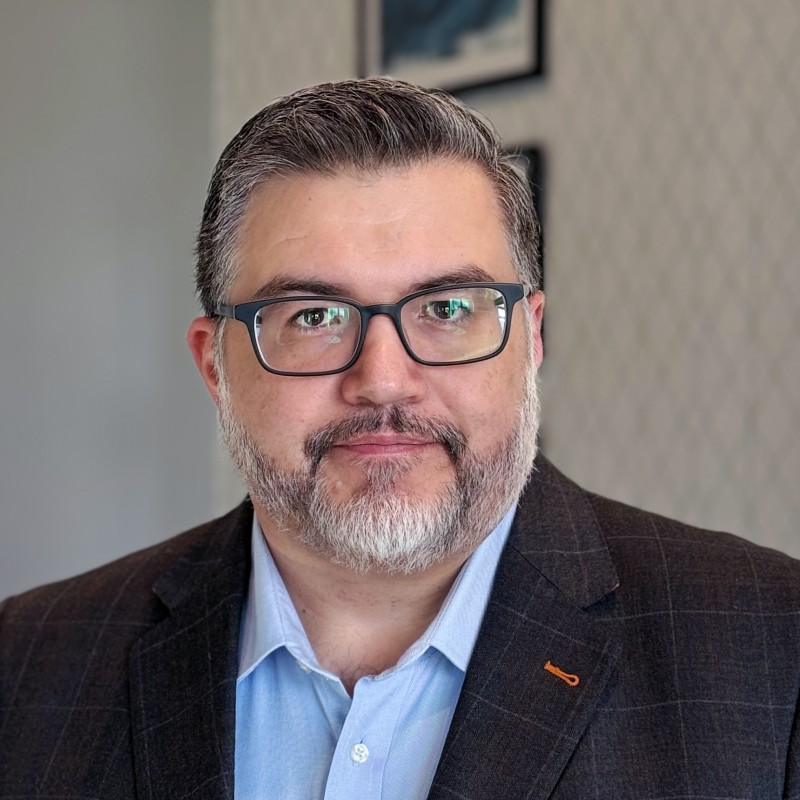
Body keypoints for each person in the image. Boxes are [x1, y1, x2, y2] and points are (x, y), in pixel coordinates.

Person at [1, 78, 798, 800]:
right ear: (215, 365)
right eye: (313, 316)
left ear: (531, 337)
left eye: (447, 309)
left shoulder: (773, 650)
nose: (383, 380)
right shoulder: (25, 664)